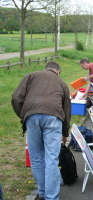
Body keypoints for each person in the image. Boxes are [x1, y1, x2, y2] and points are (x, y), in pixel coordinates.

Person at [11, 61, 71, 200]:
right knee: (51, 159)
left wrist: (24, 116)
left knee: (36, 158)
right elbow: (67, 110)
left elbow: (15, 98)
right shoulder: (61, 83)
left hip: (32, 117)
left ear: (46, 69)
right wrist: (65, 133)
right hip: (54, 118)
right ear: (58, 71)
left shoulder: (31, 76)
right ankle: (51, 197)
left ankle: (42, 193)